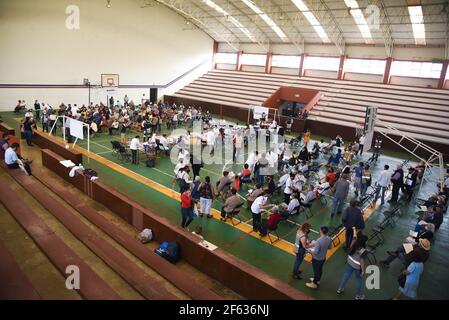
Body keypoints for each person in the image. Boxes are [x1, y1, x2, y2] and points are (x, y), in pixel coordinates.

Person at [337, 233, 369, 300]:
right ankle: (358, 296)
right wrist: (363, 270)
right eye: (366, 241)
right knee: (358, 280)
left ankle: (340, 288)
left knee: (346, 275)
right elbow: (362, 261)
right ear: (364, 242)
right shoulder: (363, 251)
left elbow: (353, 241)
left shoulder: (354, 243)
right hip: (357, 267)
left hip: (350, 262)